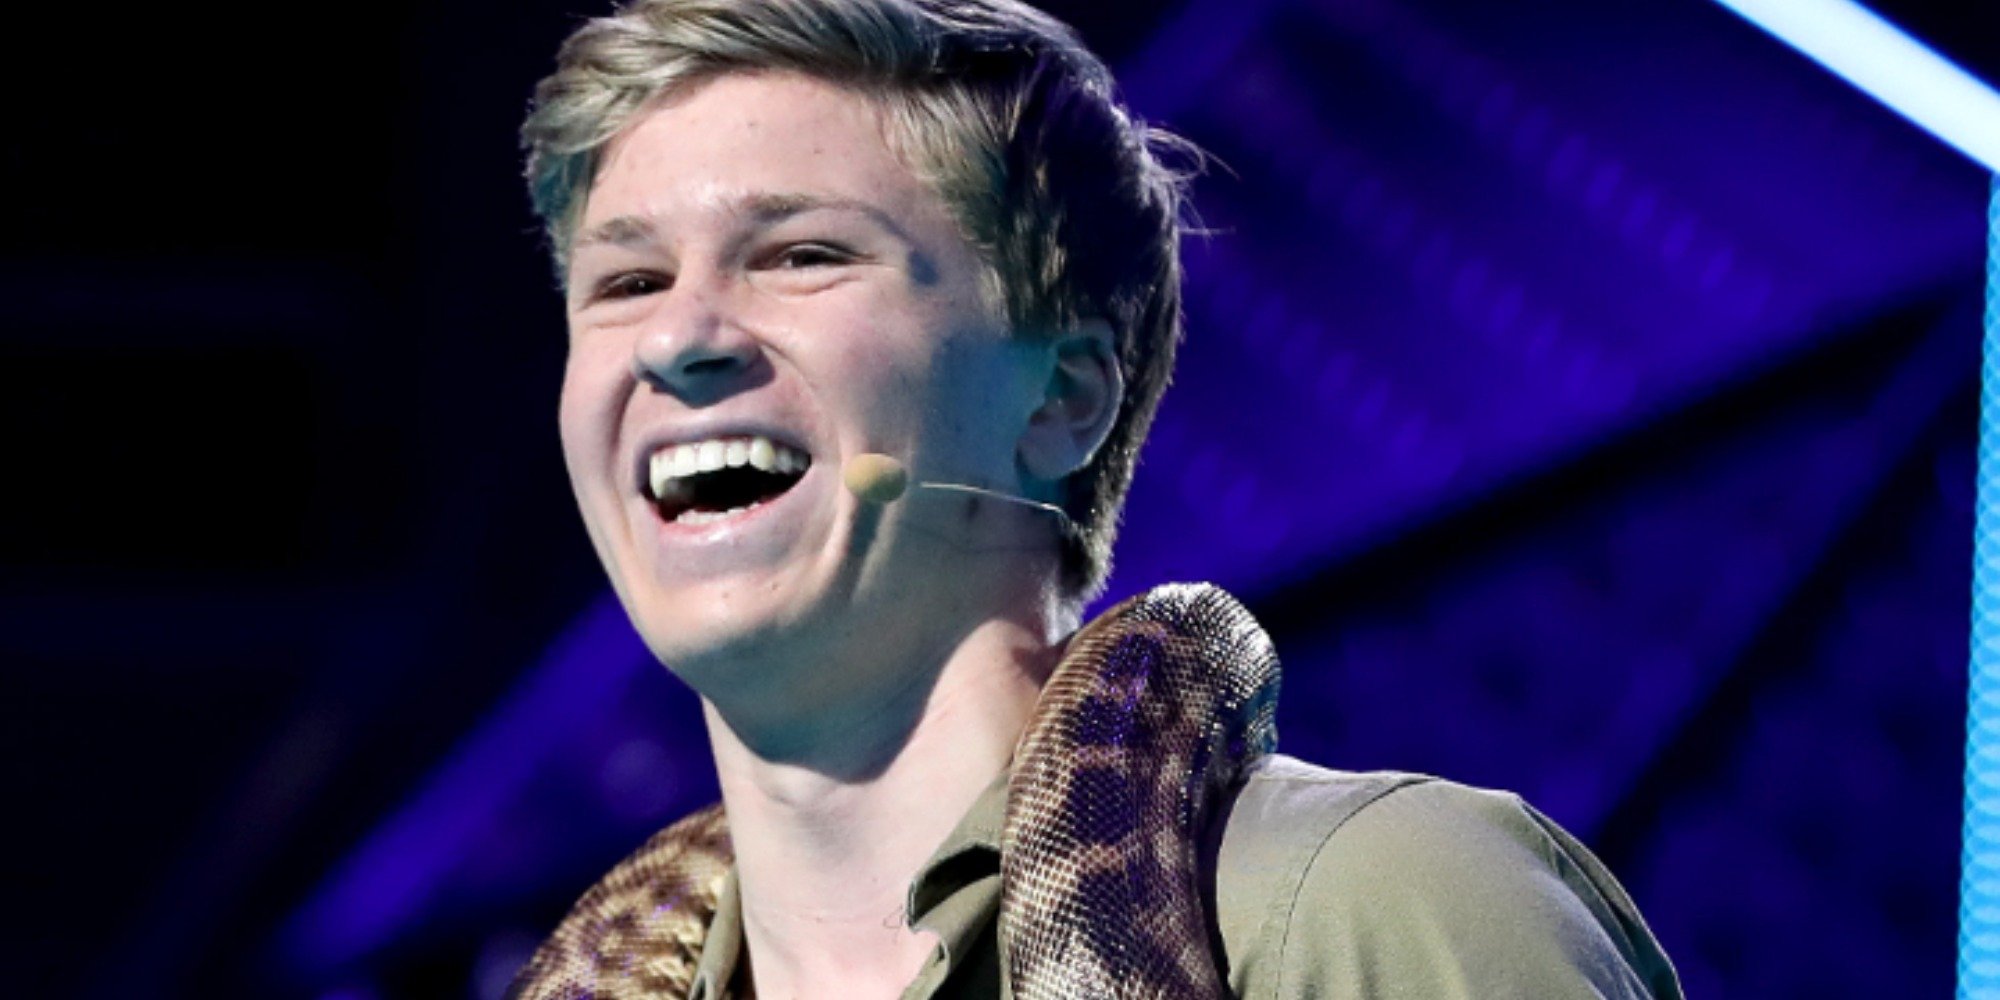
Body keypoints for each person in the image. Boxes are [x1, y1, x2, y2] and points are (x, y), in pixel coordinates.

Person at [508, 0, 1683, 997]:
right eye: (627, 280)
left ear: (1061, 401)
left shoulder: (1367, 903)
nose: (677, 336)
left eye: (802, 253)